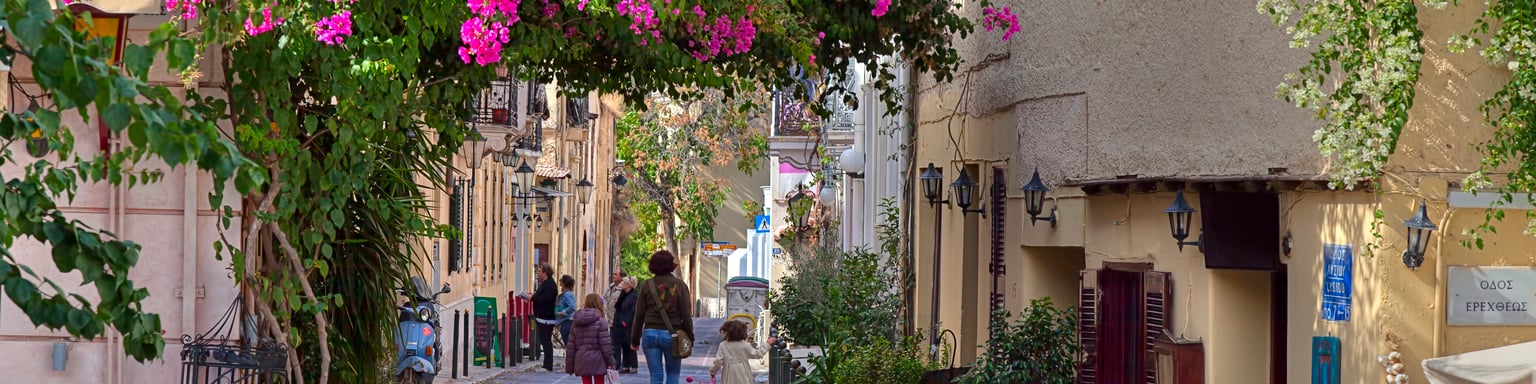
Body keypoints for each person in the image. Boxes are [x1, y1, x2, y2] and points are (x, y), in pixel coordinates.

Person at [631, 250, 694, 384]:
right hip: (673, 334)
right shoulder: (680, 285)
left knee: (656, 375)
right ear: (671, 265)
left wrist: (635, 339)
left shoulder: (647, 285)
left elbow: (639, 314)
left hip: (650, 332)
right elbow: (686, 313)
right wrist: (689, 335)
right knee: (673, 373)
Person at [566, 293, 617, 384]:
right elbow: (606, 345)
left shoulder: (576, 322)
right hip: (598, 359)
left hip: (581, 358)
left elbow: (571, 346)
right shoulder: (601, 322)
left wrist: (569, 366)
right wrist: (611, 361)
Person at [711, 320, 776, 384]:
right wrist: (767, 344)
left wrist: (713, 372)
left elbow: (718, 361)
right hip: (744, 373)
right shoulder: (745, 345)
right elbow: (757, 354)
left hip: (729, 375)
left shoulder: (723, 345)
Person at [528, 264, 559, 372]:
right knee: (544, 341)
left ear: (545, 273)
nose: (538, 273)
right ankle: (546, 364)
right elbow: (541, 296)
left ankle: (548, 365)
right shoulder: (546, 284)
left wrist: (533, 297)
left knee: (546, 341)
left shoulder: (550, 285)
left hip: (546, 317)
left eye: (539, 271)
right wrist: (534, 296)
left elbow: (544, 299)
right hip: (543, 316)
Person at [611, 276, 640, 374]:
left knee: (629, 345)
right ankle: (626, 365)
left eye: (624, 283)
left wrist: (626, 322)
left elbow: (634, 311)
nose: (622, 284)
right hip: (618, 323)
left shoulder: (634, 295)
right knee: (623, 344)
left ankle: (634, 366)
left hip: (627, 324)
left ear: (629, 285)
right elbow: (618, 307)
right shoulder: (623, 294)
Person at [557, 275, 578, 345]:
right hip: (565, 321)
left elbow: (572, 307)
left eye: (561, 280)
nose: (560, 281)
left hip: (566, 322)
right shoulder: (567, 294)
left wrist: (562, 313)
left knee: (568, 344)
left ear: (564, 283)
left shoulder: (567, 295)